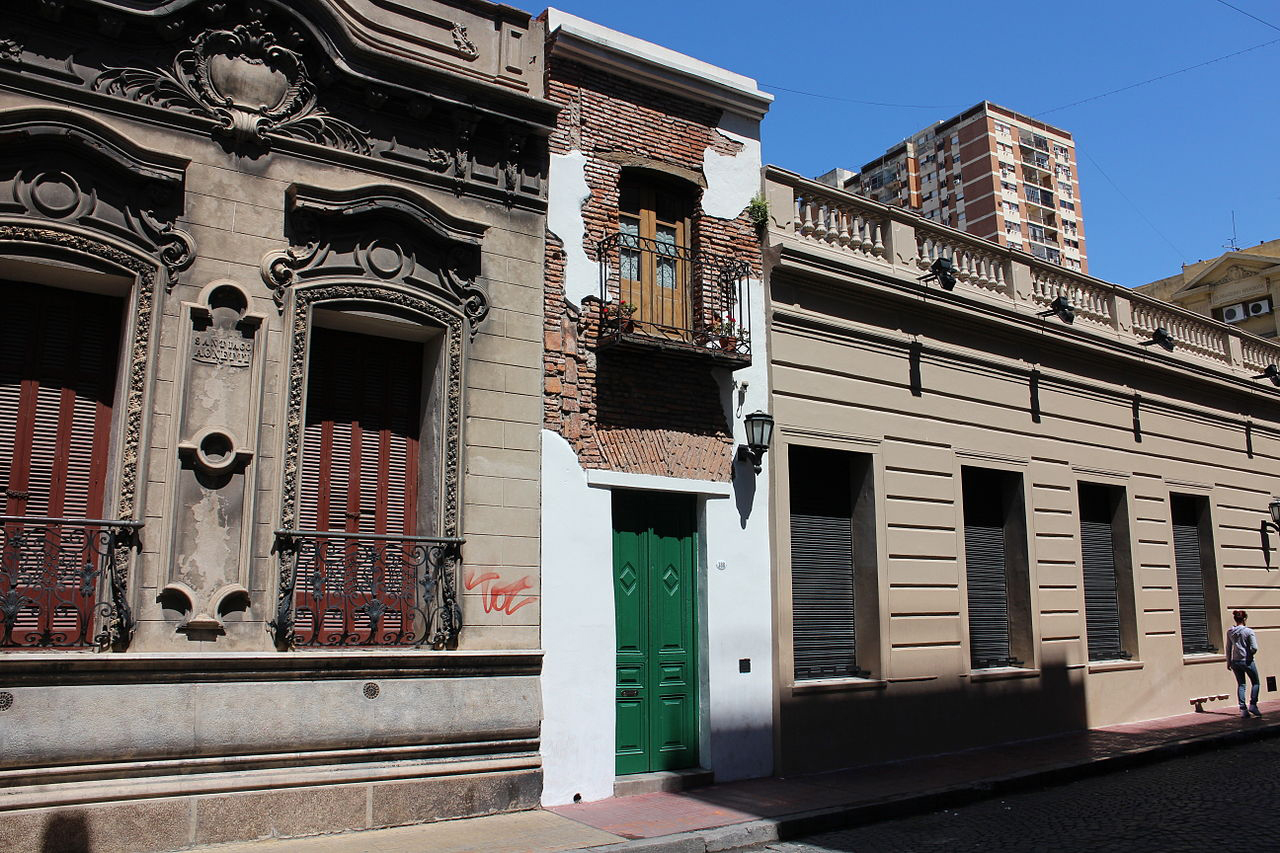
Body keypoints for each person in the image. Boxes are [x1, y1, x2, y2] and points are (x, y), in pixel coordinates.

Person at [1226, 609, 1261, 718]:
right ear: (1244, 619)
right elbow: (1254, 647)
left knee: (1241, 684)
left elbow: (1228, 647)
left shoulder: (1230, 632)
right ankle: (1253, 705)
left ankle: (1243, 709)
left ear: (1235, 619)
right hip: (1247, 660)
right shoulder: (1248, 631)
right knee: (1256, 683)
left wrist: (1228, 661)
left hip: (1235, 661)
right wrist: (1250, 652)